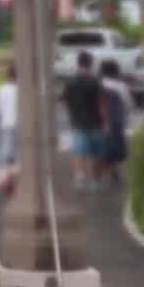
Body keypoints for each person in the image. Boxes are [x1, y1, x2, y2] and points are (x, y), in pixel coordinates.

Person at [61, 52, 107, 193]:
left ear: (78, 63)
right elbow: (101, 104)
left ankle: (79, 176)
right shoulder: (95, 81)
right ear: (91, 63)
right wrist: (106, 121)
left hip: (77, 122)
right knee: (97, 153)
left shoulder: (70, 81)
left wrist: (71, 113)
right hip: (95, 122)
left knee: (79, 151)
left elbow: (64, 100)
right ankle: (95, 182)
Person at [97, 60, 134, 187]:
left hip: (100, 121)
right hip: (117, 121)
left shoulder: (99, 84)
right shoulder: (121, 86)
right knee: (117, 147)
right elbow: (128, 104)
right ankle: (115, 171)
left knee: (103, 146)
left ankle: (104, 173)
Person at [0, 65, 19, 167]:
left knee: (8, 151)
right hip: (20, 123)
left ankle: (9, 172)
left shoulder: (0, 90)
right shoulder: (22, 89)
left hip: (6, 123)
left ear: (7, 76)